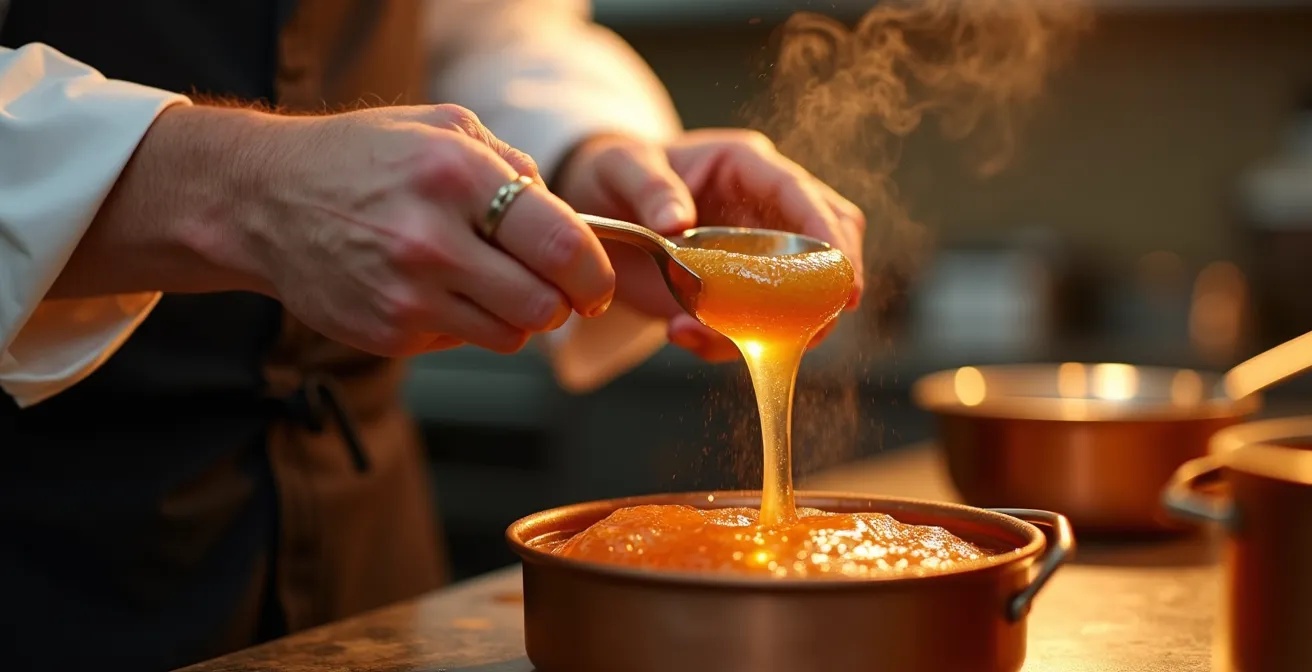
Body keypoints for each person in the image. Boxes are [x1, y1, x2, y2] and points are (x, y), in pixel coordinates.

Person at [0, 0, 865, 669]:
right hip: (47, 564)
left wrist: (585, 163)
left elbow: (488, 36)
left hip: (368, 545)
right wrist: (239, 186)